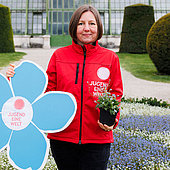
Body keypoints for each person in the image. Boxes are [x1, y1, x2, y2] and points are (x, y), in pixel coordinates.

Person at [6, 5, 123, 170]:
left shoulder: (110, 58)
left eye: (92, 23)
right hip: (62, 138)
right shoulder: (59, 56)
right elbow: (46, 91)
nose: (87, 28)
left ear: (99, 27)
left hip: (97, 139)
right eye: (81, 23)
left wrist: (113, 119)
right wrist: (16, 80)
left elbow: (115, 93)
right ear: (74, 27)